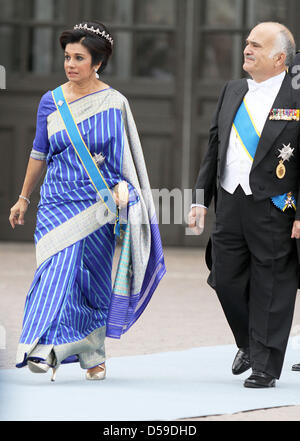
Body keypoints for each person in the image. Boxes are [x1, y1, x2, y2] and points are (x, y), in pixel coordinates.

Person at [9, 21, 166, 382]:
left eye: (79, 58)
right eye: (67, 57)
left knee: (92, 279)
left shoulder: (115, 103)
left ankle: (92, 353)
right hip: (56, 201)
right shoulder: (51, 101)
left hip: (100, 205)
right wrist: (23, 198)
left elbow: (127, 158)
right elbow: (38, 153)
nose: (70, 64)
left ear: (97, 63)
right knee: (54, 271)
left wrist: (127, 191)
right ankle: (40, 347)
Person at [188, 22, 300, 388]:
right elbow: (214, 147)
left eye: (256, 45)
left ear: (280, 58)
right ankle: (249, 344)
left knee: (271, 282)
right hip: (231, 200)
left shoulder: (296, 96)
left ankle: (265, 366)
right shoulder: (232, 89)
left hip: (274, 204)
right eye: (247, 43)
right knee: (225, 278)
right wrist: (199, 199)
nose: (247, 49)